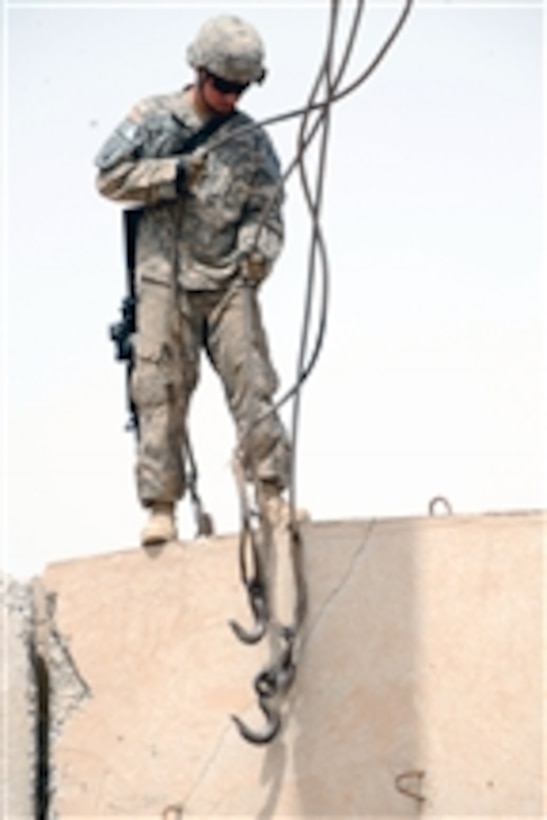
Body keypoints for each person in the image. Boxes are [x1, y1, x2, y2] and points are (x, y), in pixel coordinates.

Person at [95, 15, 293, 546]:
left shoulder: (251, 141)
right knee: (158, 391)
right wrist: (173, 173)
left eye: (241, 88)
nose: (231, 97)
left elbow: (269, 209)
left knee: (253, 384)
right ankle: (161, 506)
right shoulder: (154, 118)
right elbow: (108, 176)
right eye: (223, 85)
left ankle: (272, 495)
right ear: (199, 71)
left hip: (228, 279)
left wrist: (257, 251)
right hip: (164, 279)